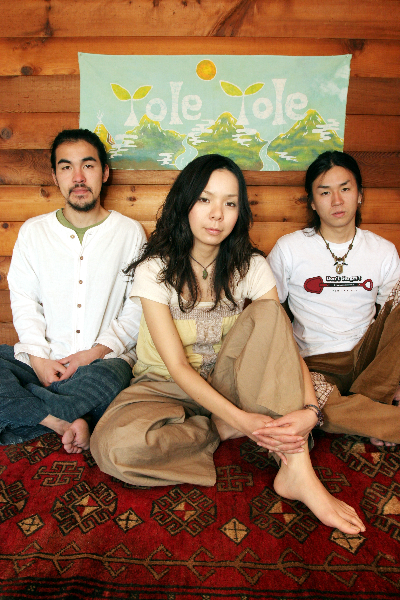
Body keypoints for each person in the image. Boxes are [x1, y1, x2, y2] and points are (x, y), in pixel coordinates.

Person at [91, 154, 365, 535]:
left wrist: (309, 410)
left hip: (229, 381)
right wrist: (241, 422)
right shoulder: (155, 269)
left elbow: (280, 340)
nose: (217, 214)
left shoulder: (250, 266)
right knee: (111, 446)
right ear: (185, 202)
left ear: (240, 212)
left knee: (270, 312)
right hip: (162, 386)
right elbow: (178, 368)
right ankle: (216, 430)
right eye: (205, 199)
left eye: (230, 203)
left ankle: (299, 474)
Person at [1, 129, 146, 452]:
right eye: (66, 167)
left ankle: (35, 412)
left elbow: (136, 307)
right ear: (55, 176)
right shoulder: (34, 232)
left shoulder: (129, 232)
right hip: (42, 361)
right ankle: (65, 420)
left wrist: (92, 354)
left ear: (105, 172)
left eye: (88, 165)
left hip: (102, 363)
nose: (78, 177)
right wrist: (39, 360)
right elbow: (24, 301)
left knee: (113, 380)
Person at [267, 150, 400, 447]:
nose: (337, 201)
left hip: (369, 359)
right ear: (313, 202)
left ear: (360, 195)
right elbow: (267, 310)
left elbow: (392, 315)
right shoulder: (290, 248)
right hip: (316, 363)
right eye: (325, 192)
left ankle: (369, 407)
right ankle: (378, 416)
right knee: (312, 407)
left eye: (345, 189)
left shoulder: (382, 250)